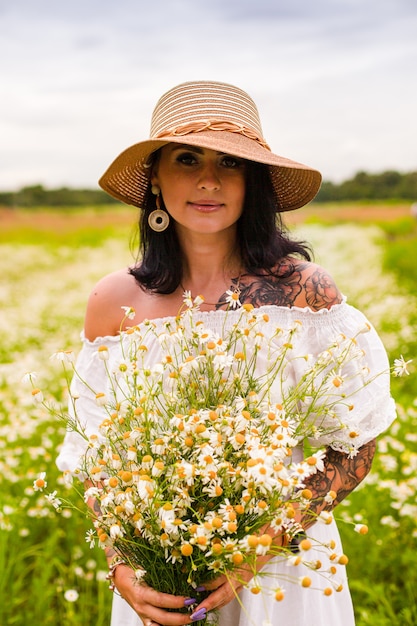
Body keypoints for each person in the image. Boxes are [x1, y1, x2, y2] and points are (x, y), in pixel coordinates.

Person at [56, 80, 396, 626]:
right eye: (187, 159)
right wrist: (122, 566)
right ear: (156, 181)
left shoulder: (305, 293)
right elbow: (99, 463)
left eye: (230, 163)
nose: (209, 180)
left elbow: (353, 449)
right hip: (160, 578)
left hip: (283, 576)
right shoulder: (112, 302)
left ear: (253, 182)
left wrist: (260, 542)